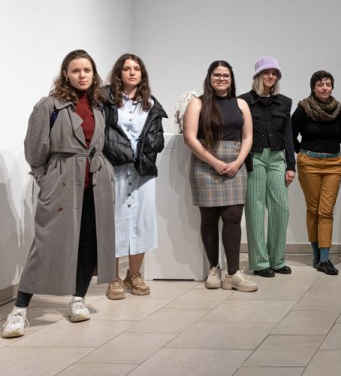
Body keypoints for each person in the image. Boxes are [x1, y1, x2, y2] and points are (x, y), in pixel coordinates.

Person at [3, 50, 116, 339]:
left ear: (93, 74)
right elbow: (35, 149)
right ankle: (19, 310)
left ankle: (78, 298)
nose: (82, 75)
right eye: (76, 70)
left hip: (95, 184)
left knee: (88, 243)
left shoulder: (98, 105)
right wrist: (47, 180)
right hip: (62, 183)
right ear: (65, 74)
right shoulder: (50, 105)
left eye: (87, 70)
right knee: (46, 246)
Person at [183, 60, 257, 292]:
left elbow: (248, 136)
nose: (221, 79)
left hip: (235, 163)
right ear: (209, 77)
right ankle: (214, 268)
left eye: (226, 75)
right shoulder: (197, 103)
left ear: (231, 79)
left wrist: (238, 162)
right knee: (209, 218)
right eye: (217, 75)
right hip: (205, 164)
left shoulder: (241, 103)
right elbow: (189, 137)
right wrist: (215, 162)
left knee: (233, 217)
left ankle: (233, 274)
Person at [102, 54, 168, 300]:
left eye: (137, 68)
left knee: (142, 222)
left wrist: (151, 146)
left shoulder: (150, 102)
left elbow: (156, 135)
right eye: (127, 68)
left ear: (142, 74)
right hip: (115, 167)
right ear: (119, 73)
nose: (132, 72)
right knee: (114, 221)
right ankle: (113, 278)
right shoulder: (106, 100)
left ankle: (134, 275)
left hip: (143, 170)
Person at [239, 56, 296, 278]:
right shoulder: (243, 101)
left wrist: (291, 165)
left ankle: (277, 259)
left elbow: (288, 135)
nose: (271, 76)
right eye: (266, 72)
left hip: (277, 158)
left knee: (281, 208)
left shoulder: (284, 102)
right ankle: (260, 262)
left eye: (274, 73)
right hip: (254, 158)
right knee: (255, 209)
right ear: (258, 75)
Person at [292, 70, 341, 276]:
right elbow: (291, 134)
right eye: (320, 84)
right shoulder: (303, 109)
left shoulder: (338, 109)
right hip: (309, 163)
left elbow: (340, 135)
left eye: (328, 84)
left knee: (326, 211)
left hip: (333, 164)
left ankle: (324, 259)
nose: (324, 88)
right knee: (313, 210)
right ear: (313, 87)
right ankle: (316, 254)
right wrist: (303, 153)